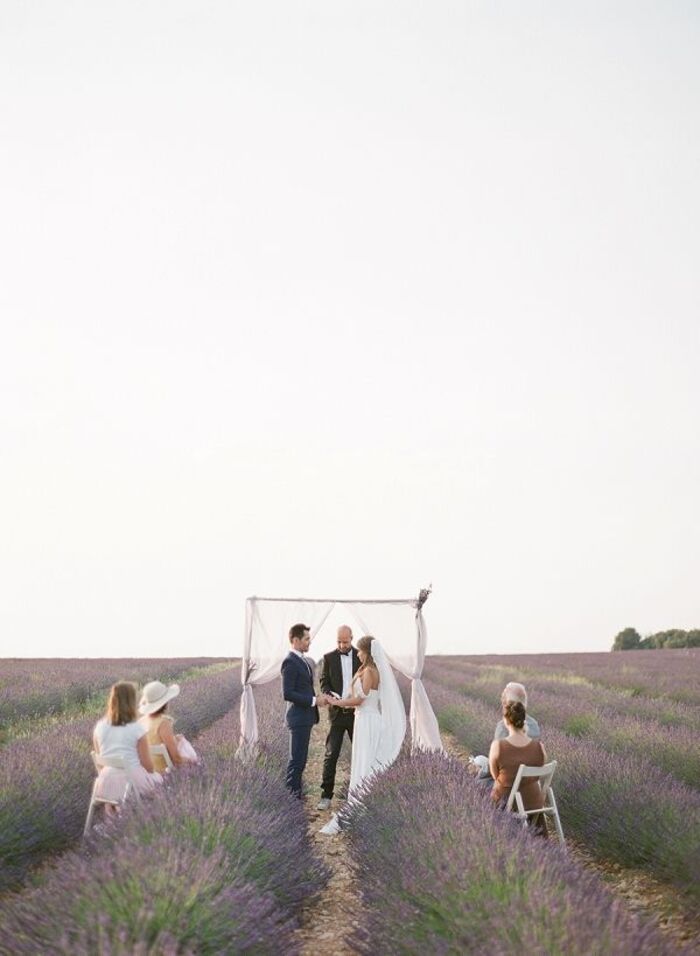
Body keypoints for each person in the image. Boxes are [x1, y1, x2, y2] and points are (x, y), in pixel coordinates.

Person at [320, 635, 406, 834]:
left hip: (368, 719)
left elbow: (360, 699)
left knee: (365, 762)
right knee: (362, 760)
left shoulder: (369, 671)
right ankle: (360, 804)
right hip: (363, 719)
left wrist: (338, 703)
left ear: (367, 652)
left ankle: (360, 806)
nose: (357, 653)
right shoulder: (366, 670)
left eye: (359, 650)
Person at [92, 681, 163, 812]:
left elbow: (100, 765)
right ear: (131, 702)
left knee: (116, 789)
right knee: (159, 780)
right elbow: (148, 767)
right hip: (131, 783)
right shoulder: (137, 729)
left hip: (105, 785)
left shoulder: (99, 727)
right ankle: (149, 821)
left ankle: (112, 822)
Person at [281, 623, 330, 799]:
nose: (309, 642)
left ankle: (296, 797)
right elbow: (287, 693)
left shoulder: (301, 659)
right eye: (306, 639)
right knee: (296, 762)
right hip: (298, 718)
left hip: (305, 717)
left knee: (300, 761)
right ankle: (292, 800)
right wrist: (314, 701)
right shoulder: (290, 661)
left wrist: (318, 699)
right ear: (295, 640)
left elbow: (303, 688)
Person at [317, 625, 361, 810]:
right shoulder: (328, 658)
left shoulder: (361, 656)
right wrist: (329, 694)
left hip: (356, 714)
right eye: (339, 641)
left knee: (360, 753)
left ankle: (360, 795)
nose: (342, 645)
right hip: (336, 714)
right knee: (331, 754)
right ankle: (326, 796)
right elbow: (323, 682)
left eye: (345, 641)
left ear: (352, 638)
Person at [489, 699, 547, 835]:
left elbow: (495, 775)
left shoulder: (498, 746)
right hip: (533, 802)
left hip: (509, 802)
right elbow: (540, 769)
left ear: (506, 720)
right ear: (524, 719)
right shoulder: (539, 747)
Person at [138, 680, 198, 772]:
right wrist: (193, 761)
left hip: (147, 774)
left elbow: (154, 741)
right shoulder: (163, 723)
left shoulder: (141, 722)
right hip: (165, 775)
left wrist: (174, 739)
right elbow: (177, 759)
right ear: (164, 703)